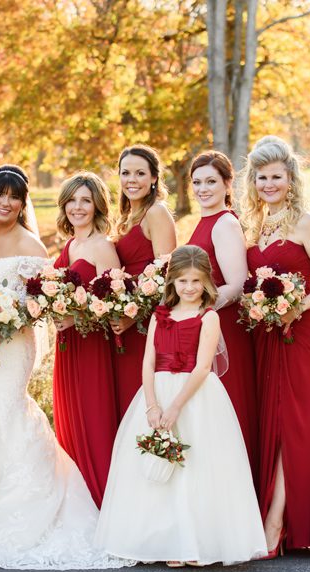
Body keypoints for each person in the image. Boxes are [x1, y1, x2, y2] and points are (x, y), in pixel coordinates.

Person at [0, 166, 129, 570]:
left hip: (11, 343)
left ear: (24, 204)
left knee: (6, 407)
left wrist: (6, 320)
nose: (4, 203)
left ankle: (19, 500)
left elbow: (39, 303)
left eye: (13, 197)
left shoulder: (32, 246)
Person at [95, 245, 266, 566]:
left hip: (195, 395)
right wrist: (152, 406)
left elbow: (203, 367)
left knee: (196, 467)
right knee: (158, 468)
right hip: (157, 393)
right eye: (183, 280)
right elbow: (147, 363)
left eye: (196, 281)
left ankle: (195, 544)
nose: (189, 287)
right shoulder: (161, 317)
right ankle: (166, 544)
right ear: (172, 282)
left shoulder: (209, 317)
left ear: (206, 283)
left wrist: (174, 407)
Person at [241, 135, 310, 556]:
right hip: (265, 338)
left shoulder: (306, 223)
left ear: (290, 178)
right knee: (272, 421)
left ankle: (277, 521)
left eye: (276, 177)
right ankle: (278, 517)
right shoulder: (254, 225)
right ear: (254, 181)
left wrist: (294, 307)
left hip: (301, 335)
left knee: (295, 424)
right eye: (262, 177)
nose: (269, 184)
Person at [186, 151, 259, 482]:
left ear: (228, 184)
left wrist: (203, 309)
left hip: (225, 330)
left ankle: (240, 495)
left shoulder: (225, 223)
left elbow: (238, 284)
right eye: (197, 182)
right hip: (209, 331)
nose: (203, 188)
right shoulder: (204, 221)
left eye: (211, 181)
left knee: (229, 413)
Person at [51, 172, 121, 507]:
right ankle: (78, 502)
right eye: (72, 200)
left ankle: (103, 501)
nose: (78, 207)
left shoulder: (103, 247)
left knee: (93, 422)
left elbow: (116, 306)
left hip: (92, 346)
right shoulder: (70, 245)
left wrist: (76, 316)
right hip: (67, 349)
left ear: (97, 206)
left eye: (86, 200)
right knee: (68, 424)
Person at [112, 145, 177, 418]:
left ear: (153, 178)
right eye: (126, 173)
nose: (132, 180)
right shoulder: (125, 217)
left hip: (146, 325)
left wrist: (133, 316)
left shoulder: (156, 213)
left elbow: (167, 275)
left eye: (140, 173)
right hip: (124, 321)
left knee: (143, 398)